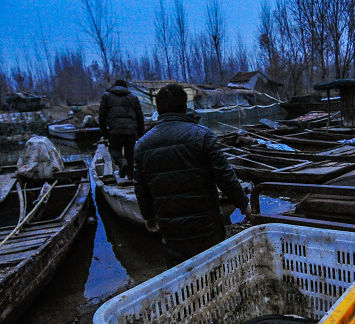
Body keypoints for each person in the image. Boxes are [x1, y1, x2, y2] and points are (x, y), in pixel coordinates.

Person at [134, 84, 251, 267]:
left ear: (158, 109)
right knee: (214, 266)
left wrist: (148, 216)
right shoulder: (203, 136)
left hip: (171, 228)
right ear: (184, 107)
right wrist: (243, 204)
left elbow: (140, 187)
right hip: (206, 224)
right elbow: (225, 177)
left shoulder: (142, 144)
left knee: (182, 272)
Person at [98, 79, 145, 178]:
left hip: (115, 130)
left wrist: (104, 131)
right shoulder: (133, 97)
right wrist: (141, 132)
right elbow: (140, 116)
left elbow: (102, 115)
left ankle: (122, 163)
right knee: (130, 153)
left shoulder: (106, 96)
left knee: (114, 149)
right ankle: (131, 177)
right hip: (131, 131)